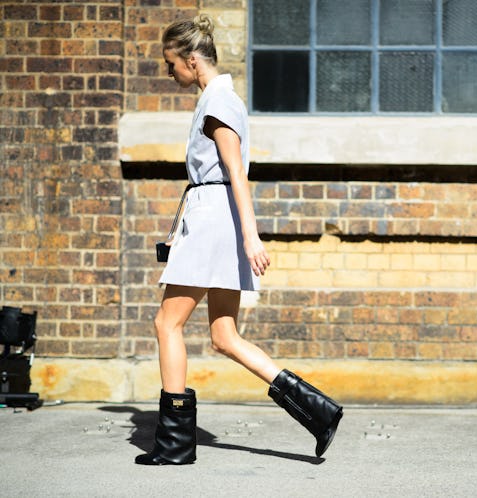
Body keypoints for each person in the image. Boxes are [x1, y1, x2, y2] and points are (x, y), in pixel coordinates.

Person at [135, 15, 343, 466]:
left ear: (192, 60)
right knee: (224, 337)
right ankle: (319, 412)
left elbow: (235, 175)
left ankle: (173, 445)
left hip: (214, 222)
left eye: (171, 64)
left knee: (166, 324)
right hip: (215, 221)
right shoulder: (219, 100)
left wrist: (251, 238)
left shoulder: (218, 104)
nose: (169, 73)